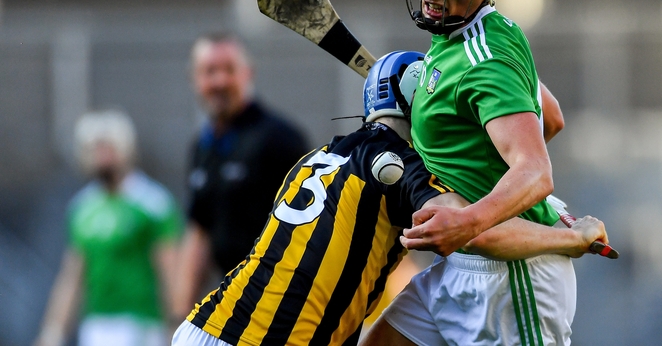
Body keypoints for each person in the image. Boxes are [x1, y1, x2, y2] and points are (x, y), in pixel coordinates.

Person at [171, 51, 608, 346]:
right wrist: (570, 239)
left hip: (206, 326)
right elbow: (472, 230)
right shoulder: (398, 168)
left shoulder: (320, 155)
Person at [361, 0, 595, 346]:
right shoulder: (477, 32)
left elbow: (535, 171)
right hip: (462, 265)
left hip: (509, 281)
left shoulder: (484, 60)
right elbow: (552, 117)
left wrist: (470, 220)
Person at [172, 33, 309, 320]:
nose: (220, 81)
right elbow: (199, 230)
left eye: (229, 70)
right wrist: (180, 315)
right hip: (234, 305)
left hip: (282, 304)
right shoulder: (201, 147)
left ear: (248, 74)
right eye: (210, 71)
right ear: (194, 79)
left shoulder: (279, 139)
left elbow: (313, 227)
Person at [34, 109, 183, 346]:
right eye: (94, 148)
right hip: (97, 326)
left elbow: (171, 272)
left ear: (125, 148)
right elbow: (73, 275)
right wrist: (53, 332)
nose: (102, 156)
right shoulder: (82, 207)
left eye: (108, 147)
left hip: (141, 323)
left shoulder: (153, 203)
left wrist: (175, 327)